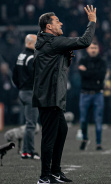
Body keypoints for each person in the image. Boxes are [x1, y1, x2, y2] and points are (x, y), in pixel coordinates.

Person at [32, 5, 96, 184]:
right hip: (49, 96)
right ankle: (44, 177)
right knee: (50, 136)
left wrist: (66, 59)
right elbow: (84, 42)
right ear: (49, 27)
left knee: (61, 130)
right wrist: (92, 22)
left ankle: (55, 172)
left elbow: (55, 68)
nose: (60, 23)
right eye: (56, 21)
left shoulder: (48, 44)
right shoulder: (52, 42)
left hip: (51, 95)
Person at [12, 34, 40, 159]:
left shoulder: (20, 55)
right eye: (36, 42)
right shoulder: (31, 57)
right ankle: (29, 152)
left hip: (23, 92)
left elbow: (14, 76)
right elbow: (36, 76)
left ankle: (25, 150)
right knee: (31, 124)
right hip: (30, 92)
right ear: (30, 43)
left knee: (29, 123)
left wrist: (20, 87)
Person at [78, 42, 107, 151]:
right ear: (87, 50)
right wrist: (94, 74)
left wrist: (87, 71)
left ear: (98, 49)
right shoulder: (83, 60)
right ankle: (85, 139)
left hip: (97, 93)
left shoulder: (102, 61)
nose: (93, 50)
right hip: (85, 93)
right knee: (83, 120)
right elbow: (85, 75)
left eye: (95, 47)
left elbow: (101, 75)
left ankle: (98, 143)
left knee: (98, 120)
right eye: (91, 48)